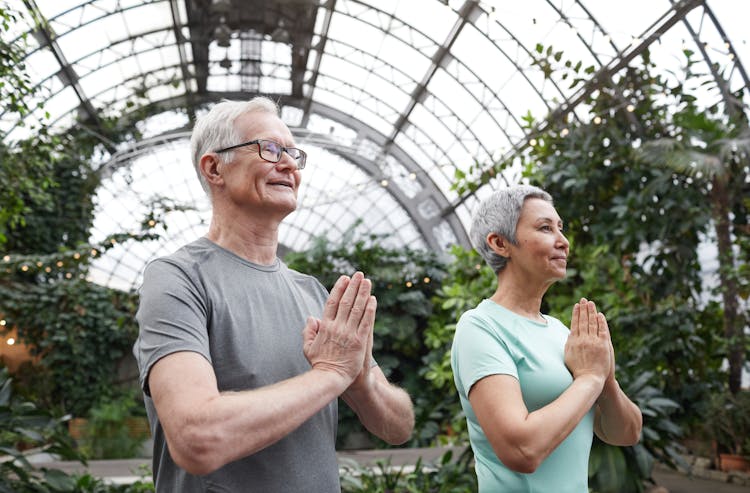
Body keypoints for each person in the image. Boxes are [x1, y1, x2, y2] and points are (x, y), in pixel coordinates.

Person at [133, 97, 415, 492]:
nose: (288, 164)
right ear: (214, 168)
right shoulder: (178, 279)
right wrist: (330, 374)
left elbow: (398, 427)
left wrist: (359, 378)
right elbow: (196, 438)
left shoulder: (314, 294)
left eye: (293, 154)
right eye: (269, 149)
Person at [451, 185, 642, 493]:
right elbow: (521, 451)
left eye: (560, 228)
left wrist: (606, 380)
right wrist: (590, 379)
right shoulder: (480, 327)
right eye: (544, 228)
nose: (563, 242)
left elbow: (626, 433)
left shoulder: (561, 332)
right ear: (500, 243)